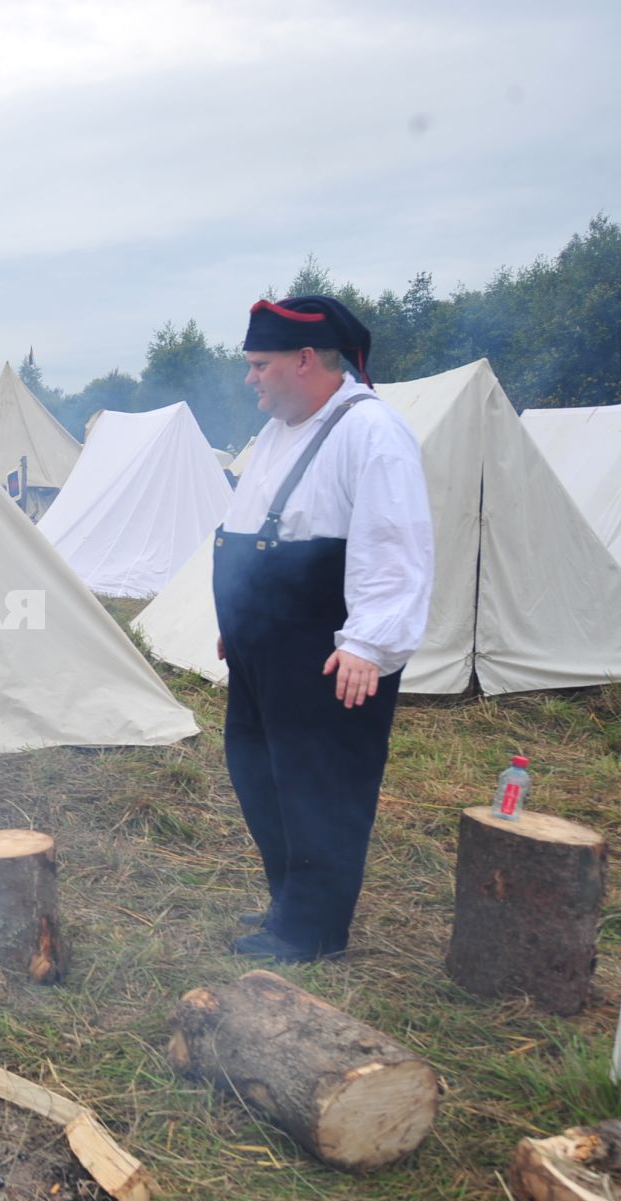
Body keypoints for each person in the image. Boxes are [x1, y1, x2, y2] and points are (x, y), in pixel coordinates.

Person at [216, 295, 434, 961]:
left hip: (326, 651)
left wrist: (370, 642)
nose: (251, 377)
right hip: (265, 646)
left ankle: (314, 929)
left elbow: (395, 545)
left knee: (320, 786)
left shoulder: (371, 433)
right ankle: (291, 902)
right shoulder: (282, 432)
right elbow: (254, 533)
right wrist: (239, 623)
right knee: (260, 776)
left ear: (305, 359)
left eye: (260, 364)